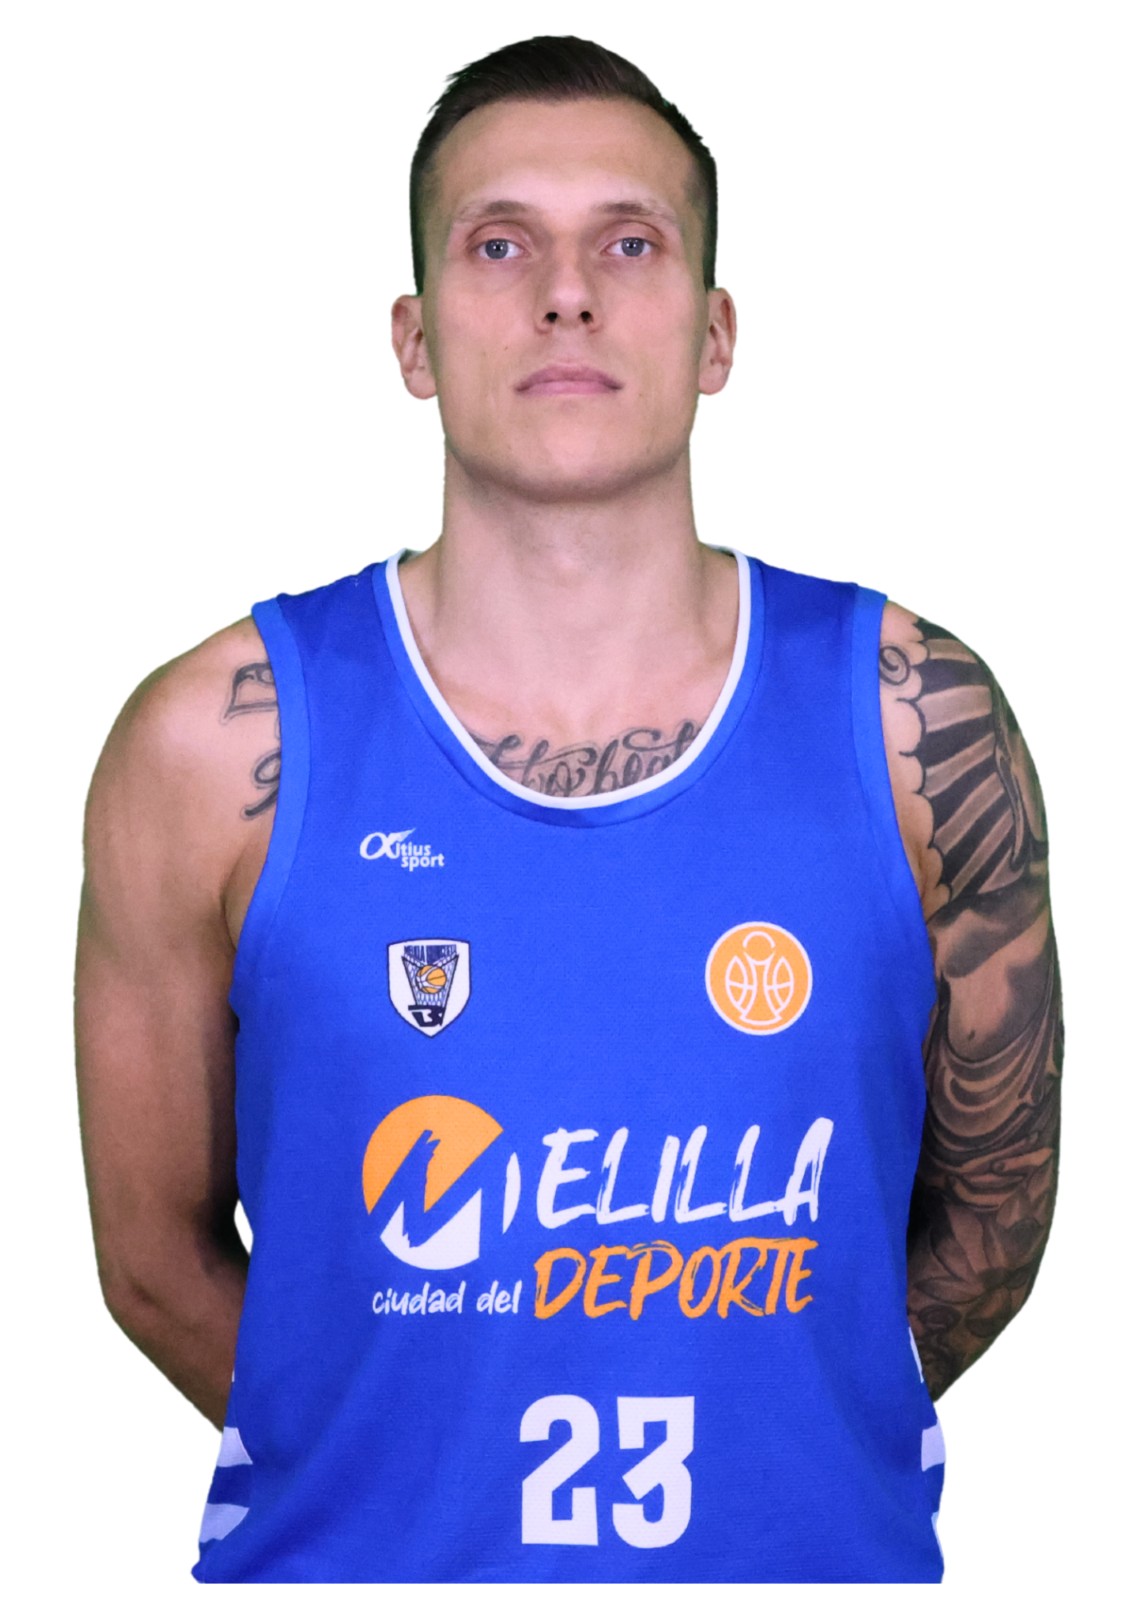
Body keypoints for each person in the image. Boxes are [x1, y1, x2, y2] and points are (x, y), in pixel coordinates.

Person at [74, 34, 1063, 1585]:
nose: (566, 294)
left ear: (716, 333)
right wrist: (411, 1467)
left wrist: (780, 1431)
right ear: (413, 339)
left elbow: (993, 1219)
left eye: (630, 243)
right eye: (498, 244)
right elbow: (150, 1260)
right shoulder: (204, 749)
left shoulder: (915, 726)